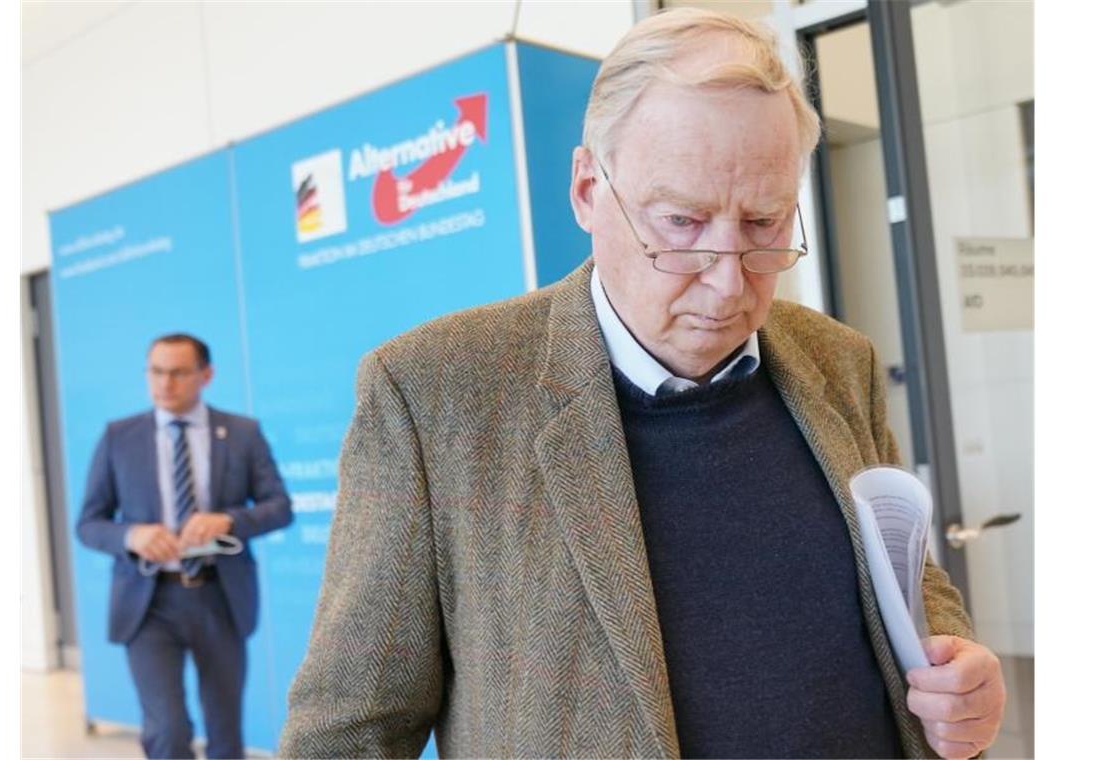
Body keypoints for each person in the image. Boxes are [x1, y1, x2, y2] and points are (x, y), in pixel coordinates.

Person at [279, 9, 1005, 759]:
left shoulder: (836, 361)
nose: (728, 282)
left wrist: (957, 668)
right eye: (683, 222)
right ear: (589, 188)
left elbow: (907, 582)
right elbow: (349, 733)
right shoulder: (434, 396)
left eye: (762, 223)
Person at [77, 333, 293, 759]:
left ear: (206, 375)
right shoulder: (119, 437)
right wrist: (131, 536)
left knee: (225, 733)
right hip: (149, 603)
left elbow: (280, 507)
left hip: (220, 597)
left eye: (178, 372)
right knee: (167, 731)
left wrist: (229, 520)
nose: (165, 383)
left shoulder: (242, 433)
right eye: (156, 372)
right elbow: (88, 523)